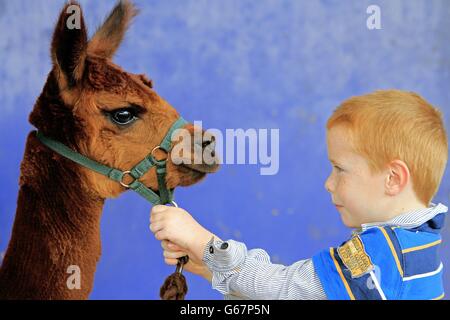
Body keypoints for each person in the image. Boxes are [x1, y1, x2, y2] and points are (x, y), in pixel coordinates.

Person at [149, 89, 448, 300]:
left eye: (339, 169)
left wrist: (203, 242)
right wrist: (209, 269)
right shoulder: (418, 244)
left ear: (393, 179)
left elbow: (285, 291)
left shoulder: (381, 253)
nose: (328, 183)